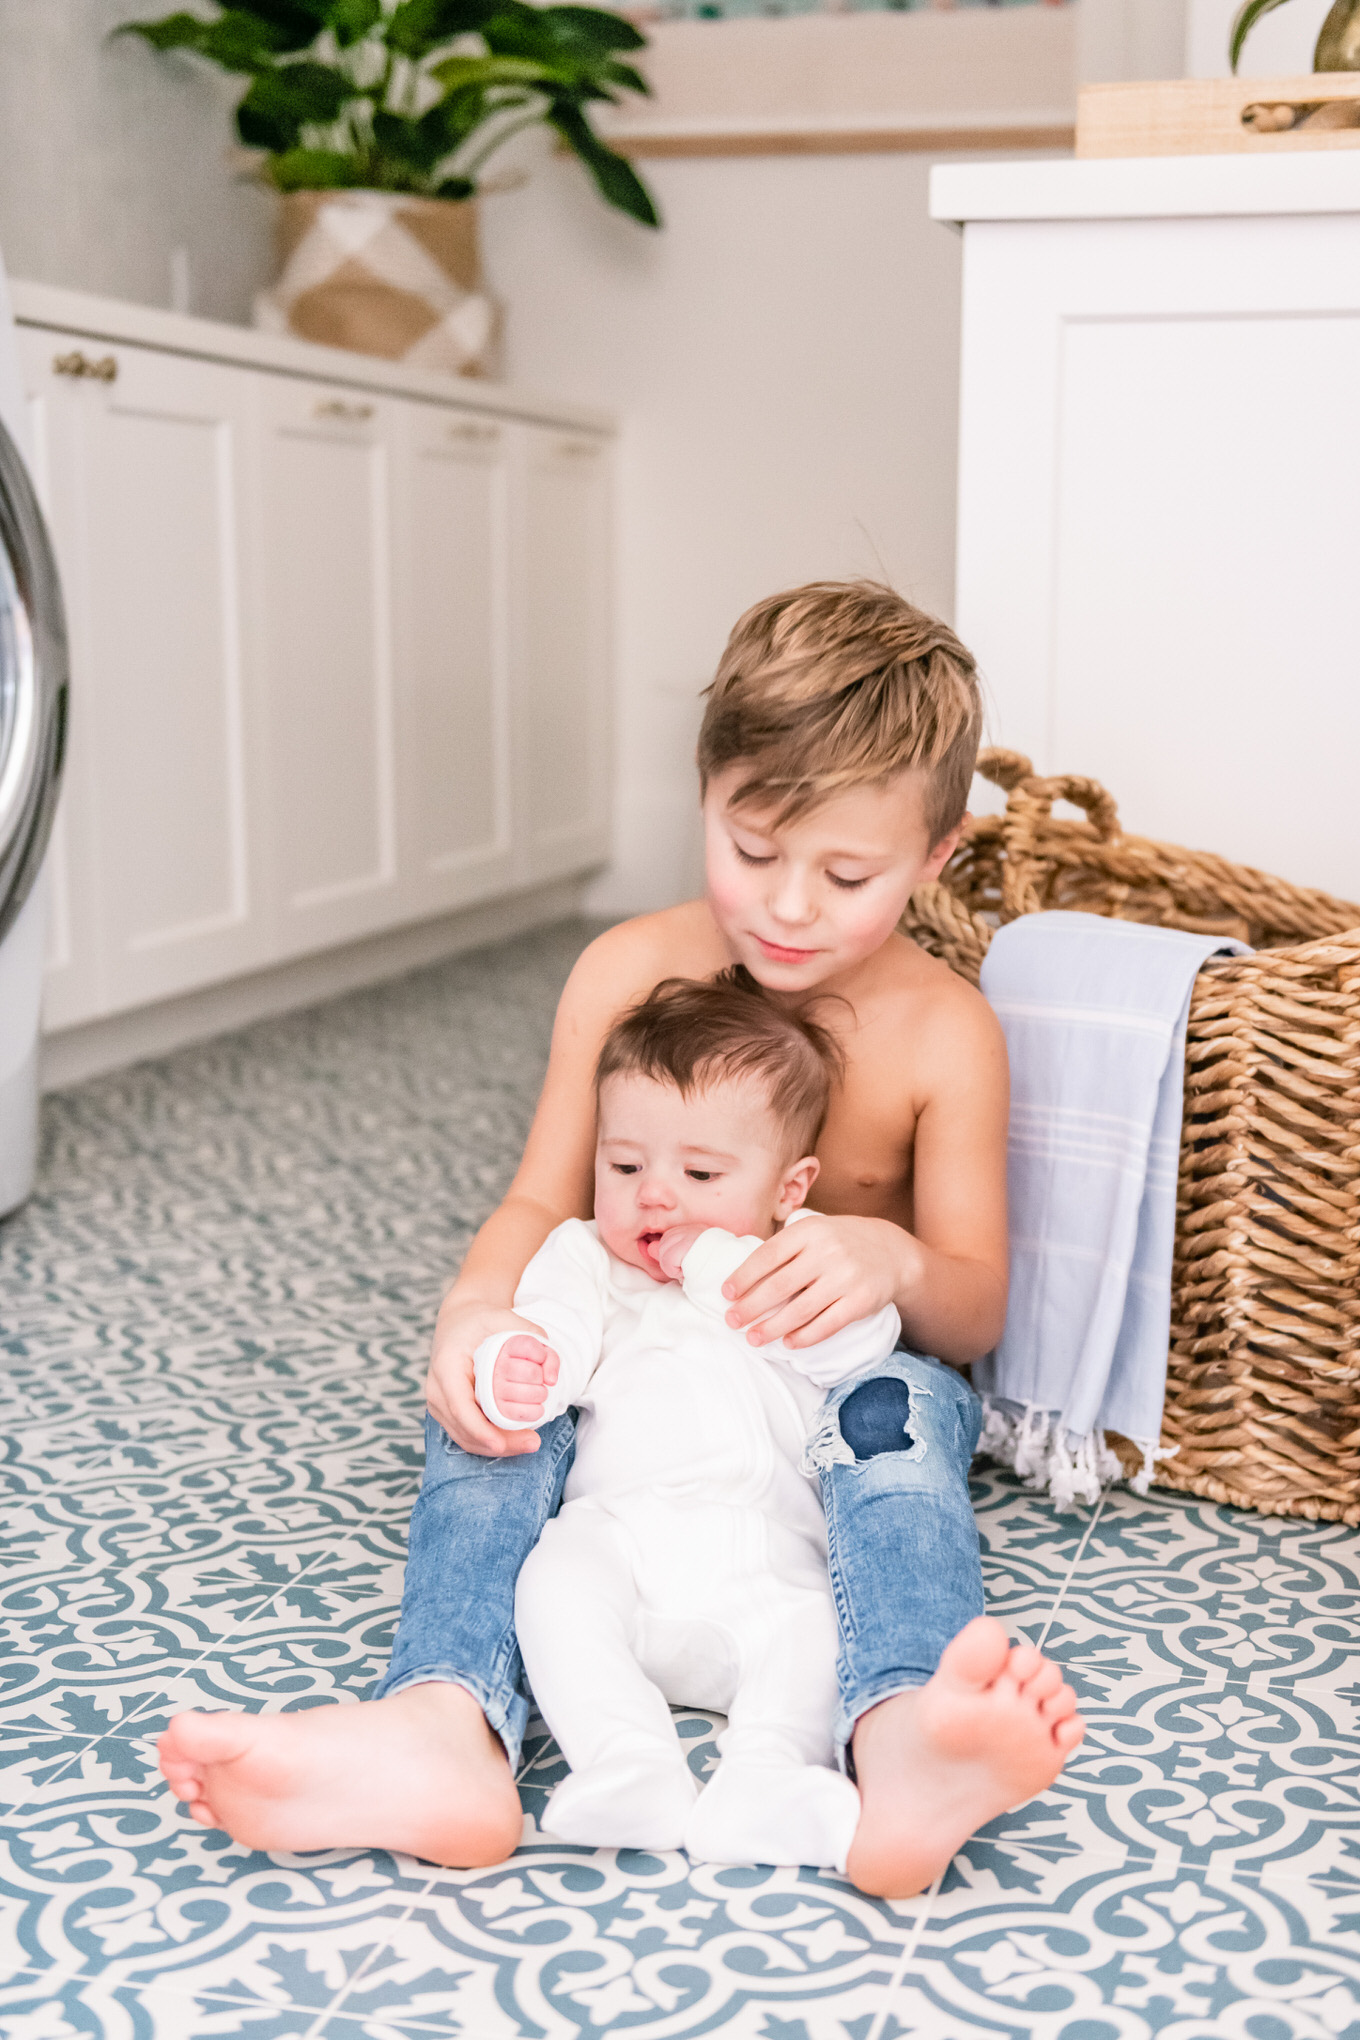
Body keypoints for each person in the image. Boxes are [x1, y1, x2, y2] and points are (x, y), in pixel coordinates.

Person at [159, 580, 1084, 1898]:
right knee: (507, 1395)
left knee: (897, 1417)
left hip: (824, 1382)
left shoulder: (945, 1033)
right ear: (703, 795)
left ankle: (902, 1739)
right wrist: (475, 1319)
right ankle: (443, 1726)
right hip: (634, 1353)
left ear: (937, 857)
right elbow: (540, 1206)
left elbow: (976, 1310)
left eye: (846, 876)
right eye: (751, 850)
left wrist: (889, 1261)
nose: (789, 907)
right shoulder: (627, 972)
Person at [478, 971, 901, 1870]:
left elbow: (862, 1348)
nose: (655, 1196)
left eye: (701, 1174)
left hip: (770, 1559)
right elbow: (546, 1339)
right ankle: (626, 1761)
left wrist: (715, 1262)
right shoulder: (585, 1257)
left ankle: (769, 1777)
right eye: (625, 1167)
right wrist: (511, 1365)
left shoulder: (794, 1263)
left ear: (790, 1188)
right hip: (622, 1538)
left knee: (820, 1635)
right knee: (550, 1583)